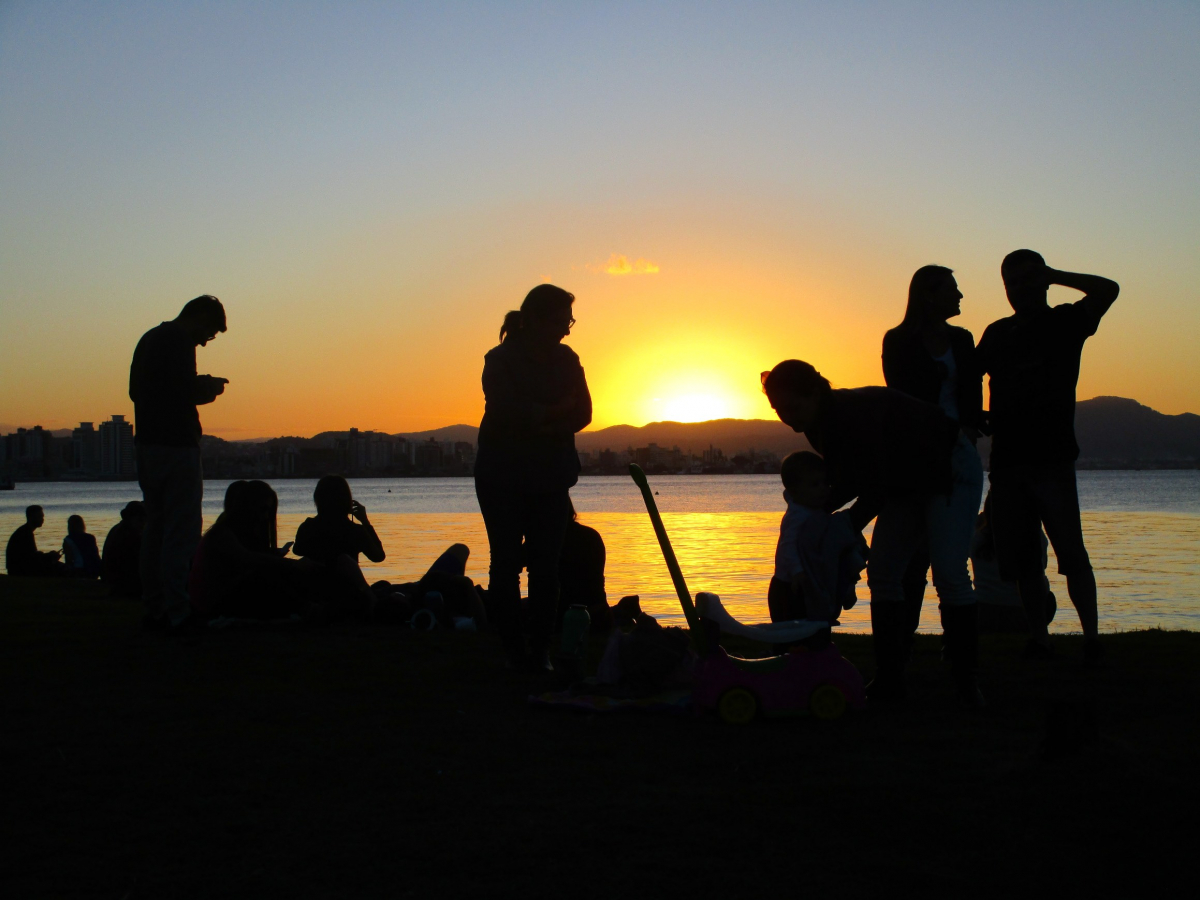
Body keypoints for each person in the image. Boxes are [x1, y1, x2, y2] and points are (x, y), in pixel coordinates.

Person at [760, 359, 983, 706]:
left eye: (792, 406)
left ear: (815, 392)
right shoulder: (817, 421)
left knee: (950, 574)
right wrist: (815, 517)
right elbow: (855, 480)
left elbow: (873, 482)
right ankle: (890, 678)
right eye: (778, 409)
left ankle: (966, 683)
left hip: (948, 466)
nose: (786, 416)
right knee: (882, 575)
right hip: (905, 480)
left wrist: (839, 524)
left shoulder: (848, 416)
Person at [976, 251, 1119, 666]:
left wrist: (1055, 274)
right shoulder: (998, 332)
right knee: (1023, 563)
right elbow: (970, 372)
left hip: (1052, 460)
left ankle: (1091, 637)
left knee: (1071, 553)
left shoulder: (1065, 322)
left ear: (1042, 280)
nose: (1018, 289)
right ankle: (1040, 638)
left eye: (1026, 279)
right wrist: (976, 415)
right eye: (1011, 283)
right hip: (1006, 461)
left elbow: (1107, 290)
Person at [474, 284, 592, 671]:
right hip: (501, 477)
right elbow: (508, 411)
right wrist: (556, 411)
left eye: (568, 321)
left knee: (546, 567)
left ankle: (540, 649)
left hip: (551, 477)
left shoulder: (568, 359)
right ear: (535, 319)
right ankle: (513, 649)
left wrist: (540, 419)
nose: (567, 330)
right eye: (560, 322)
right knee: (505, 564)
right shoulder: (500, 360)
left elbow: (583, 413)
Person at [881, 265, 987, 653]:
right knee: (889, 570)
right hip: (913, 458)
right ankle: (893, 669)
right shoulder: (898, 341)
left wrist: (969, 432)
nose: (960, 296)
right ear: (928, 295)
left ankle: (964, 674)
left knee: (950, 571)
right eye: (952, 289)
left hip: (957, 459)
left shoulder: (962, 339)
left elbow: (972, 392)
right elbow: (901, 397)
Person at [129, 294, 228, 630]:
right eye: (210, 332)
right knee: (181, 531)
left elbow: (140, 391)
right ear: (198, 316)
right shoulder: (178, 341)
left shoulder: (150, 338)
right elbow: (184, 390)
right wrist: (210, 388)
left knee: (155, 529)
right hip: (176, 447)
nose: (206, 340)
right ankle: (179, 610)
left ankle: (155, 608)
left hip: (148, 446)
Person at [189, 480, 365, 622]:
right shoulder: (222, 535)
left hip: (226, 600)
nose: (266, 517)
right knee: (267, 578)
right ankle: (316, 609)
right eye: (263, 509)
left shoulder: (232, 534)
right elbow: (250, 560)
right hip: (214, 605)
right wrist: (293, 565)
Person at [768, 451, 866, 626]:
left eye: (825, 483)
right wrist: (797, 571)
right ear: (795, 490)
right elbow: (788, 546)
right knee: (789, 630)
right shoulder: (797, 516)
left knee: (813, 624)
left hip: (806, 582)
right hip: (789, 584)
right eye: (815, 485)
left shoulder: (814, 511)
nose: (823, 489)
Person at [971, 492, 1055, 634]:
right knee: (1048, 596)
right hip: (1020, 615)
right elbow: (1041, 569)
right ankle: (1038, 630)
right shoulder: (1034, 537)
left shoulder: (977, 537)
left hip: (982, 614)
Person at [5, 505, 68, 577]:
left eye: (42, 516)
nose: (42, 519)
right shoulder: (25, 533)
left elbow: (32, 556)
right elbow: (32, 559)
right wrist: (49, 557)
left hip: (18, 569)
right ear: (31, 517)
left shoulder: (24, 531)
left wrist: (48, 556)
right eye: (39, 516)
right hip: (19, 571)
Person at [102, 501, 147, 599]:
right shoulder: (129, 535)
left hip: (116, 582)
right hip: (125, 584)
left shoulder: (117, 530)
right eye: (141, 520)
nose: (143, 523)